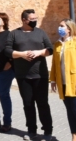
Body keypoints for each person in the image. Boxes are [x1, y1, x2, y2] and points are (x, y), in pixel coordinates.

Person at [5, 9, 54, 141]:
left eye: (35, 18)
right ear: (24, 20)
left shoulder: (41, 32)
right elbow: (8, 51)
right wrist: (22, 54)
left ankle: (48, 131)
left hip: (40, 75)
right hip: (23, 76)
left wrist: (38, 53)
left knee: (43, 104)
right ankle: (32, 131)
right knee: (28, 104)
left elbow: (50, 49)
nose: (34, 21)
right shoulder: (14, 34)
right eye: (32, 19)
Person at [50, 19, 76, 141]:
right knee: (69, 110)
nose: (59, 28)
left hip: (75, 82)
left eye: (61, 26)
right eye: (59, 26)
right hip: (62, 83)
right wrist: (52, 80)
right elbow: (54, 64)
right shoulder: (57, 44)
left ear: (69, 28)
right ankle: (74, 135)